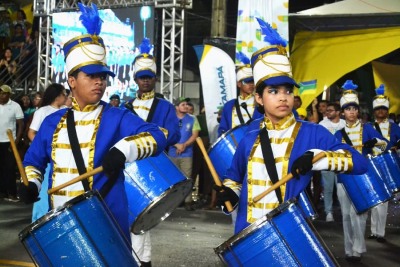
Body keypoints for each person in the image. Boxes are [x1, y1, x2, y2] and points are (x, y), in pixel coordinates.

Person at [18, 3, 167, 244]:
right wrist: (31, 183)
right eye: (91, 76)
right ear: (72, 80)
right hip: (61, 224)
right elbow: (34, 161)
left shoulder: (116, 116)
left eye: (102, 77)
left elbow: (158, 135)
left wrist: (124, 149)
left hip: (105, 219)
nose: (99, 82)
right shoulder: (52, 122)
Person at [214, 18, 368, 238]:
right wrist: (229, 192)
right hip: (247, 232)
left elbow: (360, 163)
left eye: (287, 91)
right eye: (274, 91)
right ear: (258, 97)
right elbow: (234, 178)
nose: (283, 97)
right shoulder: (249, 136)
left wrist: (316, 157)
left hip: (289, 232)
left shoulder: (310, 132)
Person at [126, 37, 180, 267]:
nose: (145, 81)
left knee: (142, 217)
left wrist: (151, 142)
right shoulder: (126, 108)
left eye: (149, 77)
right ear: (135, 79)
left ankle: (142, 260)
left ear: (155, 79)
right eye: (141, 77)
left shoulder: (165, 106)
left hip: (155, 167)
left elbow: (174, 134)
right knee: (134, 217)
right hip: (130, 168)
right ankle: (141, 261)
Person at [334, 80, 387, 262]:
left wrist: (376, 144)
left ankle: (358, 248)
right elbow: (331, 154)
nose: (352, 112)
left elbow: (383, 146)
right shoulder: (338, 133)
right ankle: (349, 250)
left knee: (360, 213)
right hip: (343, 178)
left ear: (358, 111)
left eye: (354, 109)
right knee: (347, 215)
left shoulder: (368, 128)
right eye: (348, 109)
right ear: (343, 111)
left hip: (363, 176)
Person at [369, 84, 400, 243]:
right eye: (378, 109)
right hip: (373, 163)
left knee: (385, 199)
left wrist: (396, 147)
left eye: (383, 109)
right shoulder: (367, 127)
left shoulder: (394, 127)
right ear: (374, 111)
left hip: (389, 164)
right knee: (376, 198)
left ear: (387, 111)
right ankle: (374, 231)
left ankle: (380, 232)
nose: (381, 111)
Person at [218, 52, 263, 136]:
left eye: (252, 81)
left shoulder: (260, 102)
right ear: (239, 84)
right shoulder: (229, 105)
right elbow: (223, 130)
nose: (251, 84)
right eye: (247, 82)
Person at [168, 97, 200, 210]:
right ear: (176, 107)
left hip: (187, 154)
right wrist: (177, 144)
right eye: (183, 104)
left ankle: (188, 201)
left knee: (187, 178)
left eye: (186, 104)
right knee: (173, 178)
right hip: (173, 153)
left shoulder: (193, 119)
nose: (186, 106)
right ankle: (174, 202)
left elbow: (195, 135)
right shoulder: (170, 119)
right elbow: (166, 133)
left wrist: (184, 145)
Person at [319, 102, 346, 222]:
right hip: (327, 160)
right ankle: (328, 212)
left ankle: (344, 211)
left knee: (342, 188)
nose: (327, 112)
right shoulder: (322, 124)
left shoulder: (344, 124)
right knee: (328, 188)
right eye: (327, 110)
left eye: (330, 110)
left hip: (342, 161)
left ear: (338, 112)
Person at [0, 84, 24, 202]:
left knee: (9, 168)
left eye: (3, 93)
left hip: (10, 141)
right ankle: (2, 193)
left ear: (9, 94)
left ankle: (12, 193)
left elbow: (21, 124)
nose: (1, 95)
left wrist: (17, 140)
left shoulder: (15, 106)